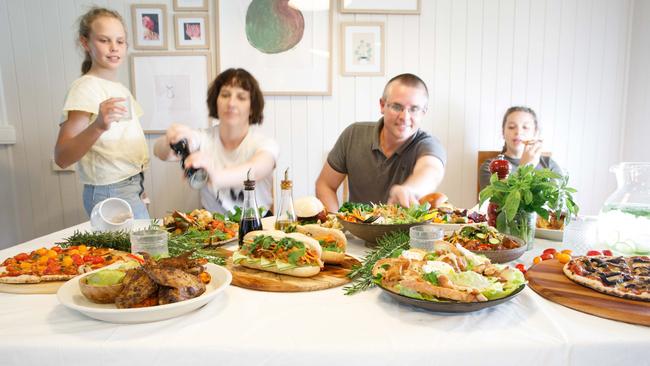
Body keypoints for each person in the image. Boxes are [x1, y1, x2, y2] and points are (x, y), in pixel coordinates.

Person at [54, 7, 150, 219]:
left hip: (130, 186)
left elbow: (122, 152)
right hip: (110, 191)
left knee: (142, 251)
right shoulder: (85, 88)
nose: (114, 47)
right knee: (143, 252)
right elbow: (62, 157)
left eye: (120, 41)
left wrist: (139, 187)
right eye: (104, 40)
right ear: (85, 43)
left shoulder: (120, 89)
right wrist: (98, 125)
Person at [153, 68, 278, 215]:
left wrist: (215, 174)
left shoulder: (264, 143)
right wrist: (171, 138)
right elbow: (160, 151)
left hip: (258, 225)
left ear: (252, 107)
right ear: (216, 101)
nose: (231, 103)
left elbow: (256, 170)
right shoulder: (203, 138)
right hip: (214, 227)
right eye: (225, 95)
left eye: (241, 97)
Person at [315, 73, 446, 212]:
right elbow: (325, 184)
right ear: (382, 105)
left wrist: (410, 190)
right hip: (356, 233)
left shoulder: (429, 144)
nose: (405, 117)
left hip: (407, 234)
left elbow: (431, 170)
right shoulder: (353, 134)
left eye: (414, 109)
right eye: (397, 107)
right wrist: (336, 225)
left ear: (423, 112)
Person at [478, 106, 563, 192]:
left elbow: (557, 200)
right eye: (511, 127)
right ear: (503, 132)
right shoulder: (491, 166)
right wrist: (525, 168)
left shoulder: (548, 164)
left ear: (535, 132)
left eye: (525, 127)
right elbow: (495, 201)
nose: (518, 132)